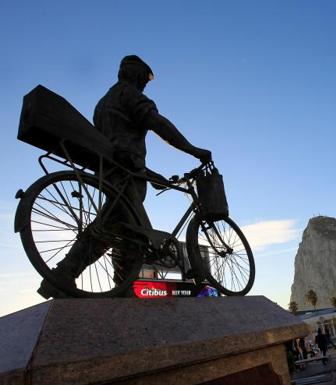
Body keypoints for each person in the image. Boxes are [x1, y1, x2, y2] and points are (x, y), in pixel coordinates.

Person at [37, 55, 212, 298]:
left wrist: (150, 174)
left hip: (114, 169)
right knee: (110, 227)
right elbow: (158, 124)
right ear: (138, 75)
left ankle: (123, 286)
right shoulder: (129, 95)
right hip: (127, 172)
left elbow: (116, 145)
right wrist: (193, 150)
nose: (145, 84)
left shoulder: (103, 102)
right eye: (145, 79)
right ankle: (62, 275)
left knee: (127, 233)